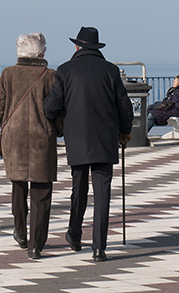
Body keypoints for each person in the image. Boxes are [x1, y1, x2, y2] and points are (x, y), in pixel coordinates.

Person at [44, 26, 133, 263]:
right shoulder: (111, 70)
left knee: (79, 190)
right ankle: (99, 248)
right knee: (103, 194)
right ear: (97, 47)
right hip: (105, 140)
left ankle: (74, 234)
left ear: (77, 46)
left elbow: (51, 107)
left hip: (77, 139)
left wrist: (58, 125)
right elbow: (124, 106)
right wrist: (125, 131)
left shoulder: (65, 70)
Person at [0, 33, 61, 260]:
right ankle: (36, 244)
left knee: (18, 187)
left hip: (15, 138)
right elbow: (59, 108)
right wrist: (55, 129)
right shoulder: (50, 75)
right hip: (42, 138)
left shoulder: (8, 74)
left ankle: (21, 233)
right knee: (41, 192)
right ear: (42, 52)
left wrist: (8, 125)